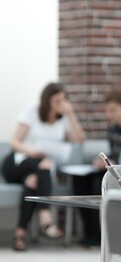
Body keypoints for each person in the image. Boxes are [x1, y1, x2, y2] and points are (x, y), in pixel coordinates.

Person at [1, 82, 85, 251]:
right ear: (47, 100)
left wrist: (71, 114)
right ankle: (45, 219)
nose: (60, 105)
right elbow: (14, 141)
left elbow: (79, 139)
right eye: (57, 101)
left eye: (63, 101)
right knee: (43, 165)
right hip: (17, 162)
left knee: (32, 182)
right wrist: (32, 152)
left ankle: (20, 236)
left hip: (38, 170)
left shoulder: (63, 120)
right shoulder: (32, 111)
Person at [72, 88, 121, 246]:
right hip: (113, 168)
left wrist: (113, 162)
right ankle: (90, 233)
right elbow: (114, 153)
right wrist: (103, 161)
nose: (109, 115)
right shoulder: (112, 128)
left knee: (100, 183)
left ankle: (101, 234)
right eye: (107, 111)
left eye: (113, 110)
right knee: (80, 181)